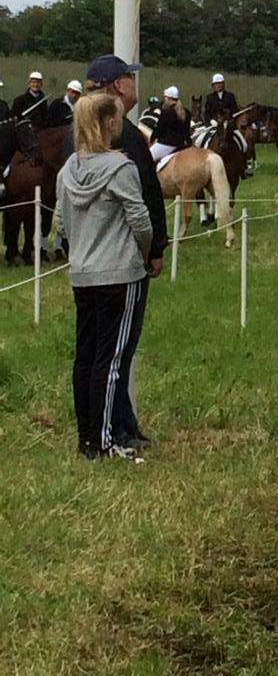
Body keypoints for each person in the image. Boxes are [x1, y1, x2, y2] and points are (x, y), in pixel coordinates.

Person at [56, 92, 153, 461]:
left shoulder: (67, 171)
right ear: (107, 123)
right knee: (111, 360)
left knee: (85, 356)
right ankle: (105, 439)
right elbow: (139, 220)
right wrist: (143, 253)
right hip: (119, 272)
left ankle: (86, 437)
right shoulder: (120, 168)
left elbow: (61, 225)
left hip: (83, 274)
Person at [82, 53, 168, 449]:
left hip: (85, 260)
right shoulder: (127, 137)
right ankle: (112, 431)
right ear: (118, 85)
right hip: (122, 259)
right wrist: (154, 248)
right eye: (130, 77)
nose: (135, 83)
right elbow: (146, 199)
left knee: (94, 351)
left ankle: (106, 427)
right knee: (116, 352)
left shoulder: (80, 134)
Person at [149, 87, 192, 162]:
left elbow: (158, 130)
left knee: (146, 158)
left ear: (168, 98)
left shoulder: (166, 112)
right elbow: (187, 131)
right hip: (181, 145)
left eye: (165, 98)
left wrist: (152, 139)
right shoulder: (186, 112)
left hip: (166, 145)